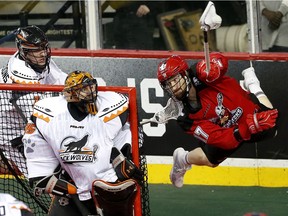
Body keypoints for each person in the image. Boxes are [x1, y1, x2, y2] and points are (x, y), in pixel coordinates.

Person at [22, 71, 142, 215]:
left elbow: (131, 132)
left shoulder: (112, 108)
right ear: (70, 94)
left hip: (109, 186)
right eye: (83, 89)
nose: (90, 92)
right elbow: (36, 149)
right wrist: (46, 176)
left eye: (91, 87)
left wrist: (122, 156)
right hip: (71, 184)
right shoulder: (50, 116)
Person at [156, 53, 278, 188]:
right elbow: (220, 138)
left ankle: (253, 86)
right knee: (211, 161)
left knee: (273, 125)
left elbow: (222, 60)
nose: (173, 87)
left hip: (243, 105)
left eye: (175, 79)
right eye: (168, 84)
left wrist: (216, 65)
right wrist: (247, 128)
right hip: (228, 129)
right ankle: (182, 160)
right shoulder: (184, 118)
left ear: (185, 74)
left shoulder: (199, 73)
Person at [0, 25, 67, 176]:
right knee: (46, 179)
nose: (43, 54)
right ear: (24, 51)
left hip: (24, 121)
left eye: (43, 48)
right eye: (36, 50)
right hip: (11, 134)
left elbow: (63, 81)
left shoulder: (37, 60)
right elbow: (40, 121)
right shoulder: (21, 77)